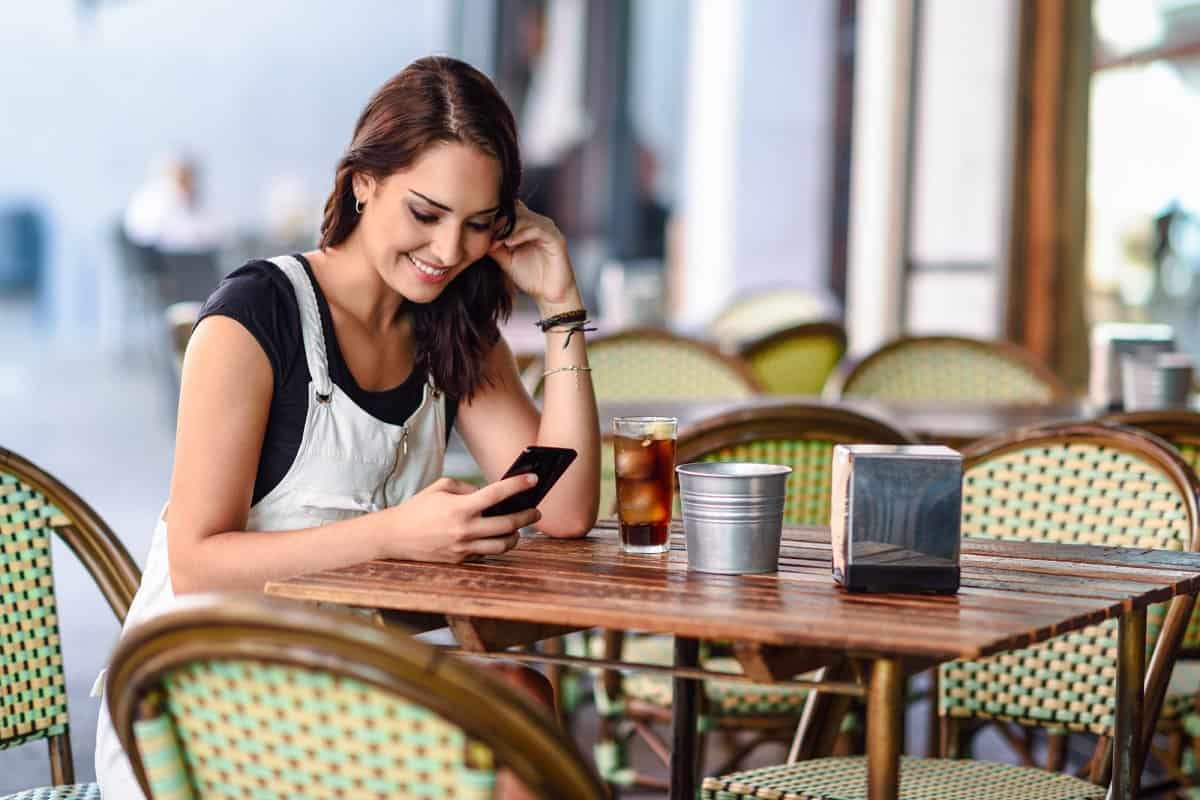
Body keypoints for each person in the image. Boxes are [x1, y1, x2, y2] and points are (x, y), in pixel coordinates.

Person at [95, 56, 600, 798]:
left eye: (477, 226)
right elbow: (197, 558)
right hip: (197, 693)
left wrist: (560, 309)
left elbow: (564, 507)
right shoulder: (253, 317)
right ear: (364, 181)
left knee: (522, 703)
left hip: (336, 676)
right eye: (425, 214)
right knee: (513, 739)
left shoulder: (453, 327)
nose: (447, 252)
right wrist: (397, 536)